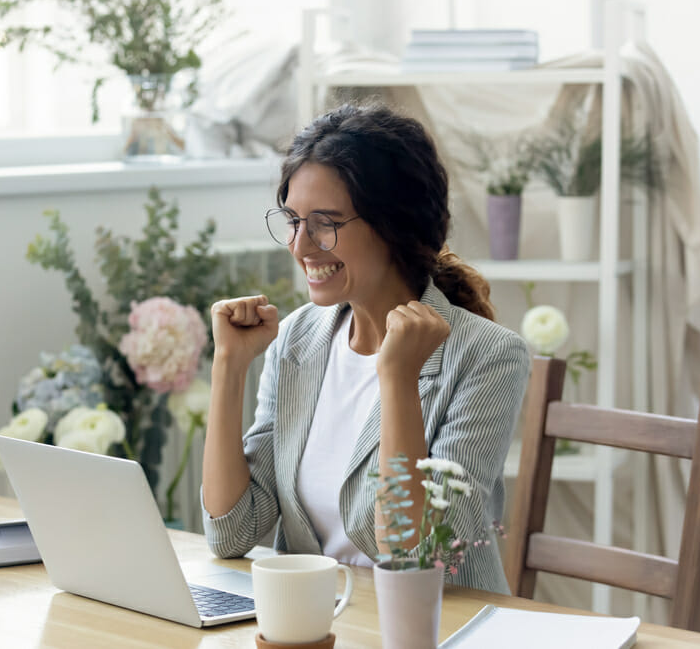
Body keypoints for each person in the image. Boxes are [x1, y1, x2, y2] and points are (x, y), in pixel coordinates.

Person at [200, 102, 530, 594]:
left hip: (438, 623)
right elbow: (231, 533)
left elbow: (417, 557)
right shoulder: (297, 338)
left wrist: (397, 380)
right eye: (293, 220)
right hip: (318, 621)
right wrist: (228, 366)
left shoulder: (488, 356)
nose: (300, 246)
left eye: (326, 222)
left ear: (394, 225)